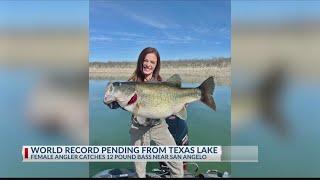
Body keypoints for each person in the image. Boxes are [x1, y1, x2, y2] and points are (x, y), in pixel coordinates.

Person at [106, 47, 184, 178]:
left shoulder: (160, 83)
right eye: (146, 60)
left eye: (152, 62)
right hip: (138, 128)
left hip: (159, 126)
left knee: (176, 163)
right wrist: (110, 101)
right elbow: (118, 104)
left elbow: (168, 109)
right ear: (141, 61)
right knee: (139, 170)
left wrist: (179, 106)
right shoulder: (131, 83)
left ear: (156, 65)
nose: (148, 64)